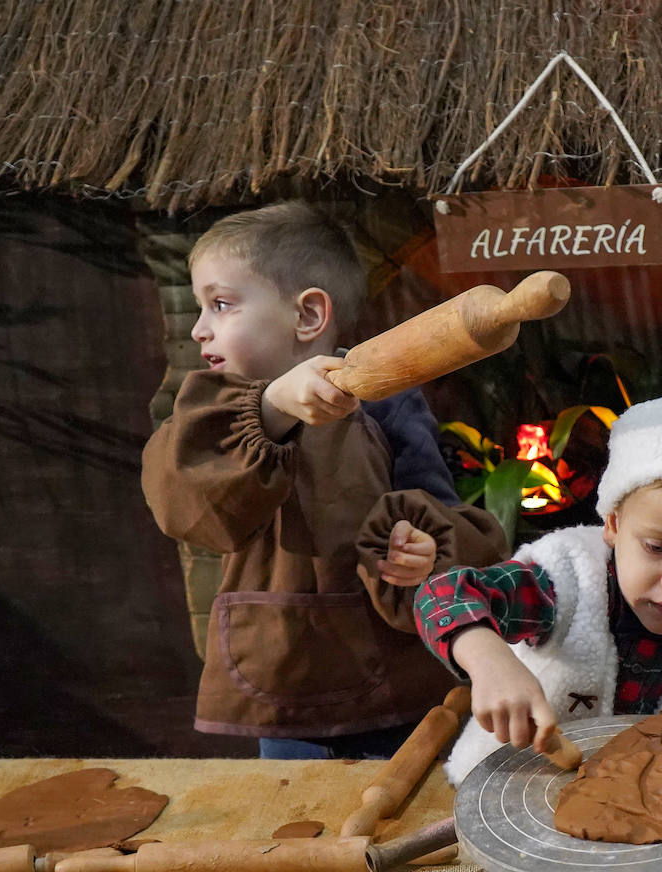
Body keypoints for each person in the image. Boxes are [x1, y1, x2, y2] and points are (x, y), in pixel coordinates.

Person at [142, 201, 506, 758]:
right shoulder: (211, 413)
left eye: (220, 304)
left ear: (308, 315)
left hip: (395, 682)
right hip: (284, 687)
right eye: (198, 307)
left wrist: (428, 547)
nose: (198, 329)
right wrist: (267, 409)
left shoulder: (387, 401)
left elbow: (442, 511)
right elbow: (183, 504)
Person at [415, 392, 662, 829]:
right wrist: (488, 659)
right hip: (510, 801)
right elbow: (442, 594)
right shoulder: (564, 580)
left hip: (642, 819)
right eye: (657, 548)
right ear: (614, 525)